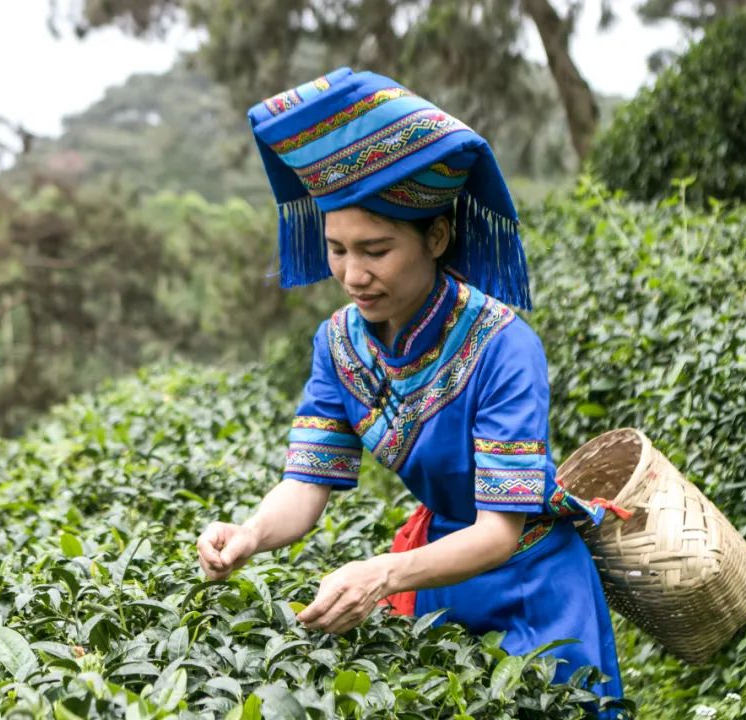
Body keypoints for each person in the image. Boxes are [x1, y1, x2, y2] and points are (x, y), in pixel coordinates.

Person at [195, 67, 626, 713]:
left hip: (533, 588)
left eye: (376, 249)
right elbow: (307, 483)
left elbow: (500, 531)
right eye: (337, 250)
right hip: (440, 587)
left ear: (437, 236)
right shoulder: (338, 345)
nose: (352, 274)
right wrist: (251, 533)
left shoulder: (503, 345)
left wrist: (383, 574)